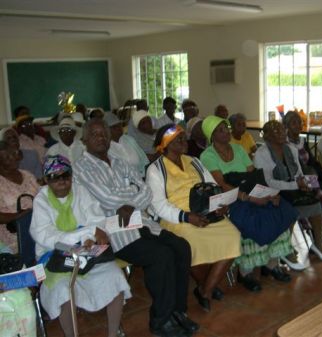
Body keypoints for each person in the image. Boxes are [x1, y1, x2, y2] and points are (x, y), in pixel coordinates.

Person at [72, 119, 196, 337]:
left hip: (142, 222)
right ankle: (160, 320)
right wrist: (132, 195)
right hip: (114, 233)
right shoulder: (81, 167)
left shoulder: (119, 161)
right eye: (95, 134)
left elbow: (146, 190)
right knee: (161, 255)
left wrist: (129, 203)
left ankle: (178, 311)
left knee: (181, 246)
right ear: (84, 140)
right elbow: (108, 200)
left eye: (104, 134)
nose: (101, 138)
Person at [30, 155, 130, 337]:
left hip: (87, 253)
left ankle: (113, 333)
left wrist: (91, 235)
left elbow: (97, 219)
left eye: (65, 175)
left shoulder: (80, 191)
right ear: (46, 180)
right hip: (55, 257)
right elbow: (45, 235)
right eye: (54, 177)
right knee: (63, 292)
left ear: (71, 175)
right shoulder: (41, 200)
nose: (61, 180)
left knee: (114, 277)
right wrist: (86, 233)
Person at [147, 124, 241, 312]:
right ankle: (208, 286)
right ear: (165, 144)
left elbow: (212, 185)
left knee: (233, 236)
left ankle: (205, 290)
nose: (184, 141)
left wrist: (220, 205)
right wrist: (186, 216)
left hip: (205, 212)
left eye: (184, 137)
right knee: (190, 244)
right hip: (176, 218)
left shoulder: (194, 161)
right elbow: (159, 205)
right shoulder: (156, 170)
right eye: (178, 139)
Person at [200, 116, 299, 292]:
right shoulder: (208, 155)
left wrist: (269, 194)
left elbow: (254, 176)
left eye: (227, 128)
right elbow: (222, 185)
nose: (227, 132)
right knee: (252, 218)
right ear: (212, 135)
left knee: (280, 209)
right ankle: (245, 272)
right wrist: (250, 198)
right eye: (221, 130)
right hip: (229, 200)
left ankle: (271, 264)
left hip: (251, 193)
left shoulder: (238, 149)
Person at [254, 121, 322, 263]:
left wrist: (303, 184)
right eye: (276, 131)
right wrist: (295, 185)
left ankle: (318, 244)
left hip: (292, 187)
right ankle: (286, 248)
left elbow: (299, 174)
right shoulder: (262, 154)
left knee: (316, 204)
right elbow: (267, 182)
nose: (282, 133)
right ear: (267, 136)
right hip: (273, 192)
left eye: (282, 129)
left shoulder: (291, 149)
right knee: (289, 207)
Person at [0, 141, 39, 253]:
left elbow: (42, 198)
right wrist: (19, 216)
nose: (14, 158)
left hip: (37, 228)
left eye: (14, 153)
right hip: (13, 237)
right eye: (7, 157)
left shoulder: (27, 175)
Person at [104, 112, 150, 178]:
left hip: (141, 177)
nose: (119, 128)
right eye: (114, 127)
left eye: (119, 125)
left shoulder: (129, 139)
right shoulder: (107, 148)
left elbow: (144, 160)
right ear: (107, 130)